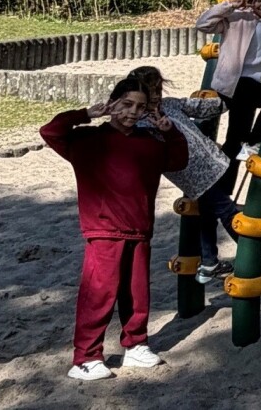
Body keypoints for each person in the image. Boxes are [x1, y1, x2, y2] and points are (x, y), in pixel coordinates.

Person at [41, 77, 188, 381]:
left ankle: (135, 345)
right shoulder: (85, 141)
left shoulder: (151, 143)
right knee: (99, 294)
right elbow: (50, 131)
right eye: (127, 104)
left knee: (137, 294)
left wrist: (170, 132)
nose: (133, 112)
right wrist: (85, 114)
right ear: (112, 103)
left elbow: (179, 159)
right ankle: (85, 357)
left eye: (141, 107)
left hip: (140, 229)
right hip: (103, 231)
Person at [127, 66, 261, 279]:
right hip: (193, 177)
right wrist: (161, 129)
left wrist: (224, 101)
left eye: (158, 88)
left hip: (212, 164)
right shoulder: (141, 124)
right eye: (149, 90)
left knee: (208, 215)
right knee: (228, 212)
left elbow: (196, 107)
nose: (155, 95)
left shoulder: (170, 105)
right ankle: (259, 256)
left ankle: (209, 262)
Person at [195, 0, 261, 167]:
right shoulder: (236, 18)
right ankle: (254, 143)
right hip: (234, 84)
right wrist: (232, 5)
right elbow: (203, 24)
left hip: (253, 85)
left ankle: (221, 185)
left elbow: (260, 48)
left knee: (235, 139)